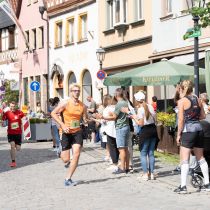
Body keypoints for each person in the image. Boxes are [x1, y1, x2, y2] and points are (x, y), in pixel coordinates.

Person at [174, 80, 210, 193]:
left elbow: (180, 120)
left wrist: (178, 134)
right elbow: (203, 116)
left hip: (188, 131)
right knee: (201, 157)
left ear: (182, 88)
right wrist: (194, 118)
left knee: (185, 159)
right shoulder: (198, 99)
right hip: (199, 130)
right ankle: (207, 184)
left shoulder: (182, 101)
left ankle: (183, 187)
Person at [51, 83, 88, 186]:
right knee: (66, 159)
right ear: (71, 92)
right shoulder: (65, 103)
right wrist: (62, 125)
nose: (77, 92)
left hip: (77, 132)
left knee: (76, 154)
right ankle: (60, 152)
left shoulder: (82, 105)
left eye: (78, 91)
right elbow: (53, 113)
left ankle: (68, 178)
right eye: (75, 91)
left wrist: (88, 120)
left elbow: (85, 118)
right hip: (66, 132)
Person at [124, 90, 158, 181]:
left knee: (143, 153)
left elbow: (140, 123)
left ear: (137, 100)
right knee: (151, 153)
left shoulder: (140, 109)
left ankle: (145, 174)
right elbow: (156, 119)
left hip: (145, 131)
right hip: (153, 130)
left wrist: (133, 117)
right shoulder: (150, 106)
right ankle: (151, 173)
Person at [101, 88, 130, 174]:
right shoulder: (126, 102)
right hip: (126, 126)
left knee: (121, 149)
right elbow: (119, 115)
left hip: (120, 127)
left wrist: (103, 117)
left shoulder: (119, 104)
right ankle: (127, 167)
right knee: (125, 148)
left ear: (116, 95)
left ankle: (122, 168)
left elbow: (114, 117)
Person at [2, 101, 25, 167]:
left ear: (16, 106)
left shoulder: (19, 112)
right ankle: (13, 161)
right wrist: (3, 121)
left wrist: (24, 125)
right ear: (9, 106)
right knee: (12, 145)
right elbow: (3, 120)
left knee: (18, 148)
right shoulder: (7, 113)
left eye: (13, 106)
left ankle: (14, 148)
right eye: (11, 106)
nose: (12, 108)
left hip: (18, 133)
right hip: (10, 133)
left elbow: (24, 118)